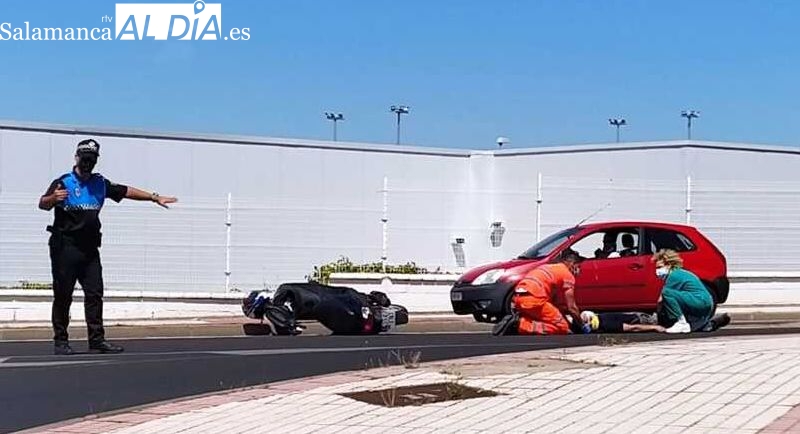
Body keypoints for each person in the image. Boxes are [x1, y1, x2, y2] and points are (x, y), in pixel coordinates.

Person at [38, 139, 178, 355]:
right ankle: (61, 341)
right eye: (84, 159)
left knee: (95, 294)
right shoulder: (63, 182)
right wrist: (52, 198)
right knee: (63, 295)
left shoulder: (100, 183)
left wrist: (154, 197)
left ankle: (97, 340)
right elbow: (42, 204)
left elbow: (125, 191)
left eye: (91, 160)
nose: (87, 163)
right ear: (76, 158)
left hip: (90, 249)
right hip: (65, 247)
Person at [493, 250, 588, 336]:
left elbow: (555, 306)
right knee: (562, 327)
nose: (579, 271)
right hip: (535, 300)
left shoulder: (551, 268)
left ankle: (517, 321)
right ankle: (520, 325)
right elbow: (571, 308)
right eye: (578, 267)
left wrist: (568, 321)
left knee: (547, 320)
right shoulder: (567, 275)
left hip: (519, 298)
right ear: (572, 264)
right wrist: (582, 325)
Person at [653, 249, 722, 333]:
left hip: (699, 302)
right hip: (707, 304)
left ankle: (681, 323)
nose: (657, 271)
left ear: (669, 265)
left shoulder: (674, 275)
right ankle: (704, 324)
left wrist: (657, 315)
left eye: (660, 267)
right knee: (692, 328)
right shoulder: (681, 272)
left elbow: (661, 299)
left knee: (667, 293)